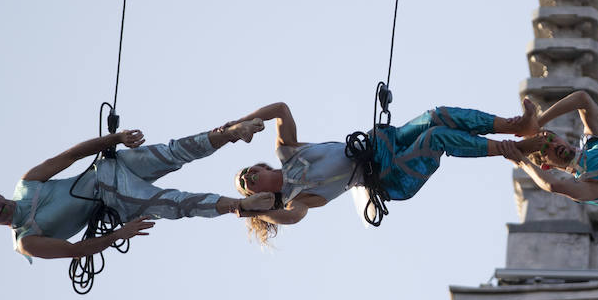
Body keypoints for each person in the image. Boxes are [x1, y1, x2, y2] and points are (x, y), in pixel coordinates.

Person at [0, 118, 277, 262]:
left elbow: (71, 156)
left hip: (111, 168)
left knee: (174, 153)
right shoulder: (26, 241)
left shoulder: (27, 183)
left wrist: (116, 140)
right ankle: (238, 204)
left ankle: (231, 133)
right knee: (172, 201)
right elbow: (74, 251)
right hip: (111, 196)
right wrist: (118, 234)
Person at [231, 101, 546, 244]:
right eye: (245, 185)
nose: (247, 178)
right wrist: (251, 211)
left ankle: (519, 126)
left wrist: (242, 124)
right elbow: (293, 218)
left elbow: (281, 110)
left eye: (247, 172)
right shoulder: (295, 199)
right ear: (259, 194)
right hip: (389, 177)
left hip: (382, 146)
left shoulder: (287, 151)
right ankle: (511, 150)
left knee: (437, 116)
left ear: (261, 166)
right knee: (435, 138)